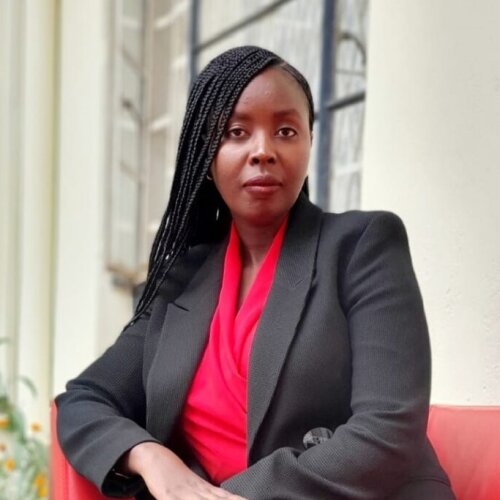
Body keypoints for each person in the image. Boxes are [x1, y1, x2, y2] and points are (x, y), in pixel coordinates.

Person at [56, 46, 455, 499]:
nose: (263, 151)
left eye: (286, 131)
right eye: (236, 132)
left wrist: (233, 496)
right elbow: (84, 399)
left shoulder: (361, 246)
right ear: (207, 155)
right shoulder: (181, 280)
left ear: (308, 142)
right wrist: (151, 457)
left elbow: (388, 429)